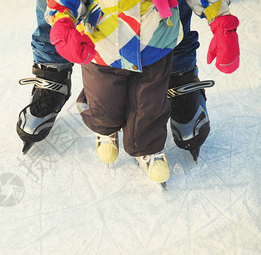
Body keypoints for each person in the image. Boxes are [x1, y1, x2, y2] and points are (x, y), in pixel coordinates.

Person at [17, 0, 239, 185]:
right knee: (103, 101)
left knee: (149, 103)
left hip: (156, 44)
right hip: (102, 45)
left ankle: (147, 147)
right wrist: (63, 22)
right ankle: (102, 127)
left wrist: (221, 22)